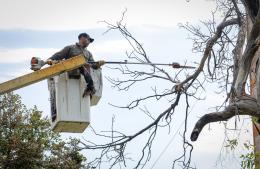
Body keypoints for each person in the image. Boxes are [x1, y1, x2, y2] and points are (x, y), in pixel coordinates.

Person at [47, 33, 105, 97]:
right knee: (81, 64)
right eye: (88, 40)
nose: (89, 42)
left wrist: (99, 64)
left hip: (82, 77)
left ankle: (90, 87)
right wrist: (49, 60)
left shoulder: (88, 53)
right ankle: (90, 86)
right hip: (70, 73)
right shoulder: (71, 48)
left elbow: (94, 65)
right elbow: (59, 55)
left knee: (84, 65)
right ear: (82, 38)